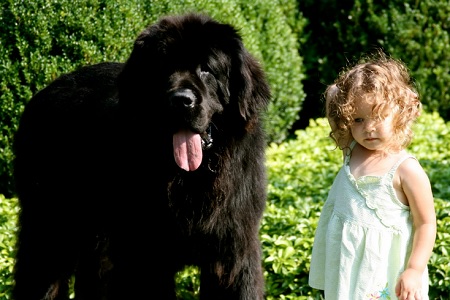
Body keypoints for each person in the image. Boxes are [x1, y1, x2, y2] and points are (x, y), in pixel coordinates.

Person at [308, 50, 436, 300]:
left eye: (379, 116)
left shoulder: (406, 169)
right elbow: (334, 105)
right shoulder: (352, 148)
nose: (369, 128)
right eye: (358, 119)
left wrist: (414, 270)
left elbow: (426, 223)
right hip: (348, 270)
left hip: (385, 274)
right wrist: (343, 91)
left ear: (399, 113)